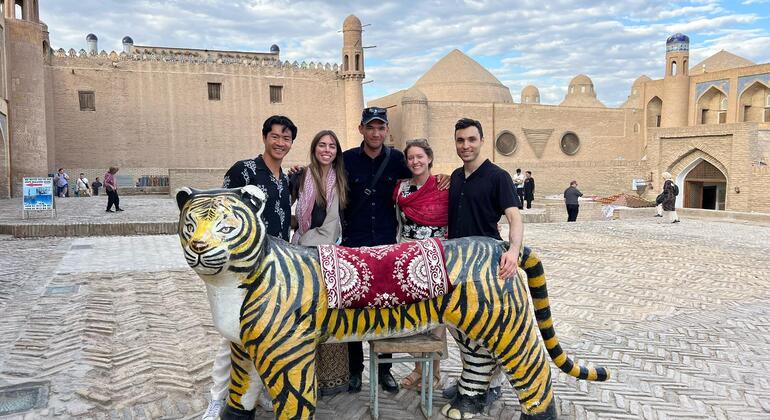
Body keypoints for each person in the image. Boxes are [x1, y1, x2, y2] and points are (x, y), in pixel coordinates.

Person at [341, 107, 450, 395]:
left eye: (381, 127)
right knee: (354, 309)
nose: (376, 133)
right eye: (371, 127)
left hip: (387, 247)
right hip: (354, 243)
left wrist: (443, 178)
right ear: (361, 129)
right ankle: (355, 370)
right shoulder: (348, 159)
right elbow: (324, 178)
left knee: (384, 309)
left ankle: (384, 370)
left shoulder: (398, 160)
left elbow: (420, 176)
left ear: (387, 130)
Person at [202, 115, 297, 420]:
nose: (280, 142)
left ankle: (258, 393)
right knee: (235, 337)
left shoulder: (284, 177)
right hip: (245, 270)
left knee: (269, 333)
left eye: (286, 138)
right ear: (264, 137)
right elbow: (222, 214)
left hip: (275, 269)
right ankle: (218, 398)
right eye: (276, 136)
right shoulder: (243, 170)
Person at [443, 117, 524, 413]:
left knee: (488, 330)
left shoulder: (497, 176)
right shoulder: (455, 176)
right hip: (457, 265)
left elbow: (514, 217)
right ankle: (471, 378)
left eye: (471, 140)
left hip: (486, 265)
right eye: (460, 140)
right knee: (464, 330)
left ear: (481, 141)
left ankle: (490, 386)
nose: (465, 145)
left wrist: (513, 251)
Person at [290, 129, 350, 397]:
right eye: (322, 145)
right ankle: (303, 375)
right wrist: (298, 233)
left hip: (329, 254)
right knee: (304, 315)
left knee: (329, 314)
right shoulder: (301, 176)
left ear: (337, 151)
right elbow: (285, 209)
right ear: (314, 148)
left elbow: (332, 225)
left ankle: (333, 378)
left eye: (332, 146)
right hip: (303, 255)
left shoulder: (341, 180)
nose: (327, 150)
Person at [393, 139, 448, 391]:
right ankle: (417, 369)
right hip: (409, 258)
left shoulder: (444, 185)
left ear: (429, 158)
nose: (415, 161)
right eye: (411, 158)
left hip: (437, 258)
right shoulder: (401, 189)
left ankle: (434, 373)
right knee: (417, 317)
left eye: (420, 157)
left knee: (437, 318)